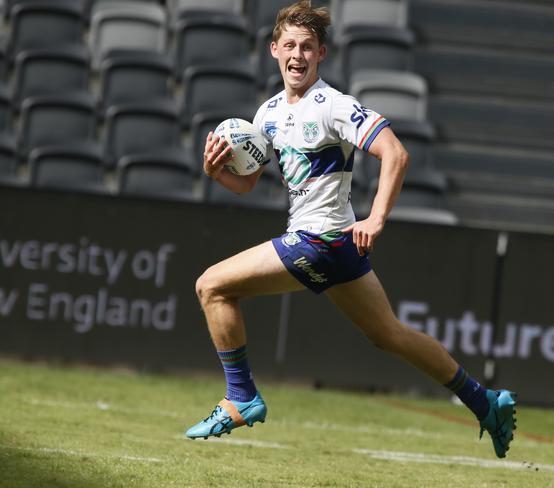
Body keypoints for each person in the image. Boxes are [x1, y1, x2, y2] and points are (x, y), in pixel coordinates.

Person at [185, 0, 516, 459]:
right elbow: (247, 184)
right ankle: (486, 401)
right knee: (389, 335)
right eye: (290, 46)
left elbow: (395, 153)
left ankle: (241, 395)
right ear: (274, 50)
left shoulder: (334, 105)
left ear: (322, 53)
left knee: (212, 287)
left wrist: (376, 217)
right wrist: (217, 171)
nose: (298, 55)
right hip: (336, 246)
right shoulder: (268, 115)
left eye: (307, 46)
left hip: (321, 240)